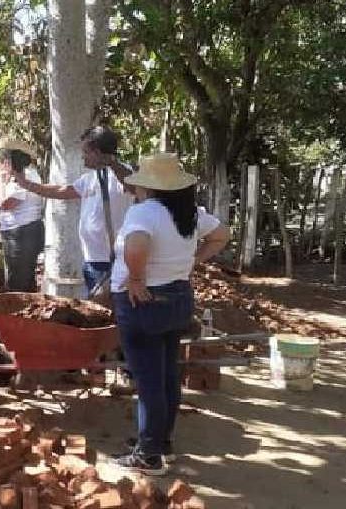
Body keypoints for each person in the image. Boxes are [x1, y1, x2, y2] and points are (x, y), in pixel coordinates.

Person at [108, 152, 230, 475]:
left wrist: (135, 279)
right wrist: (193, 261)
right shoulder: (189, 213)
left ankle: (149, 455)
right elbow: (222, 235)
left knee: (149, 381)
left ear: (148, 186)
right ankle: (161, 443)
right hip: (177, 298)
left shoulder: (144, 213)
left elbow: (135, 246)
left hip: (144, 301)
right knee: (167, 375)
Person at [13, 126, 132, 295]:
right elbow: (61, 191)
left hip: (114, 261)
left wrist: (111, 162)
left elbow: (134, 187)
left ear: (97, 152)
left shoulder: (123, 175)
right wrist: (26, 184)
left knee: (111, 310)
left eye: (86, 151)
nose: (83, 156)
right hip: (92, 261)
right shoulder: (89, 179)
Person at [0, 139, 44, 291]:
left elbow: (6, 204)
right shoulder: (21, 176)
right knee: (21, 280)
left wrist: (2, 182)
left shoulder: (25, 176)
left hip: (22, 234)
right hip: (20, 233)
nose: (3, 163)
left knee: (17, 283)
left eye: (5, 159)